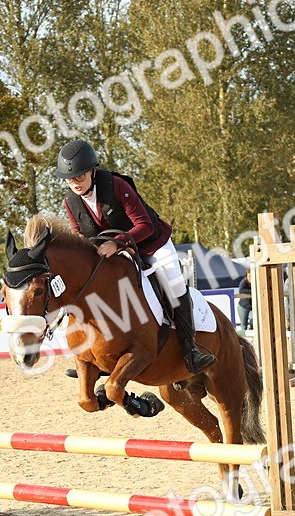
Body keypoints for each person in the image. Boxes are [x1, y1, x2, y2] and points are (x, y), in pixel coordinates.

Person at [55, 139, 215, 373]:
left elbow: (145, 225)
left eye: (79, 177)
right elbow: (79, 235)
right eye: (69, 179)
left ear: (91, 171)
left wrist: (117, 243)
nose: (74, 183)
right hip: (112, 253)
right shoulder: (70, 201)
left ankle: (191, 350)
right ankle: (94, 355)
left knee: (174, 282)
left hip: (151, 244)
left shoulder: (116, 186)